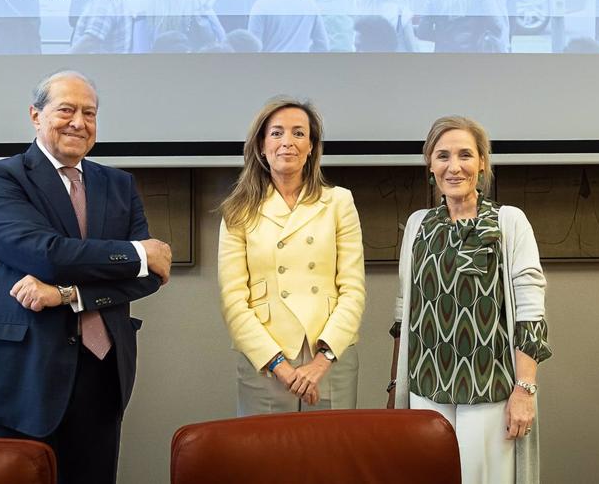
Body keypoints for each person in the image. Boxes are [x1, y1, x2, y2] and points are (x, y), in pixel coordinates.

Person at [0, 70, 173, 484]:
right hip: (17, 373)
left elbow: (147, 277)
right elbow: (44, 253)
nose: (79, 122)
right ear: (35, 115)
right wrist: (138, 252)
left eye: (90, 113)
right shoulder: (0, 177)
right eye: (65, 109)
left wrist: (67, 294)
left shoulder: (119, 184)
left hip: (101, 372)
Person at [388, 116, 552, 484]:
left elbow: (530, 313)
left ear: (482, 163)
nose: (454, 165)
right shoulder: (418, 225)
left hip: (491, 391)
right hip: (426, 388)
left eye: (466, 154)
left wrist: (524, 391)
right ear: (430, 165)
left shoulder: (510, 222)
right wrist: (395, 388)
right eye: (443, 155)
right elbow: (405, 313)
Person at [217, 98, 365, 415]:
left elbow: (353, 290)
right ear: (261, 145)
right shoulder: (237, 211)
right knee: (267, 461)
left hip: (329, 358)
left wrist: (321, 362)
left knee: (332, 459)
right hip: (265, 360)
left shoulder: (339, 202)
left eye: (299, 133)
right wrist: (279, 365)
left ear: (311, 146)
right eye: (277, 133)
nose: (288, 142)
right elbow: (233, 300)